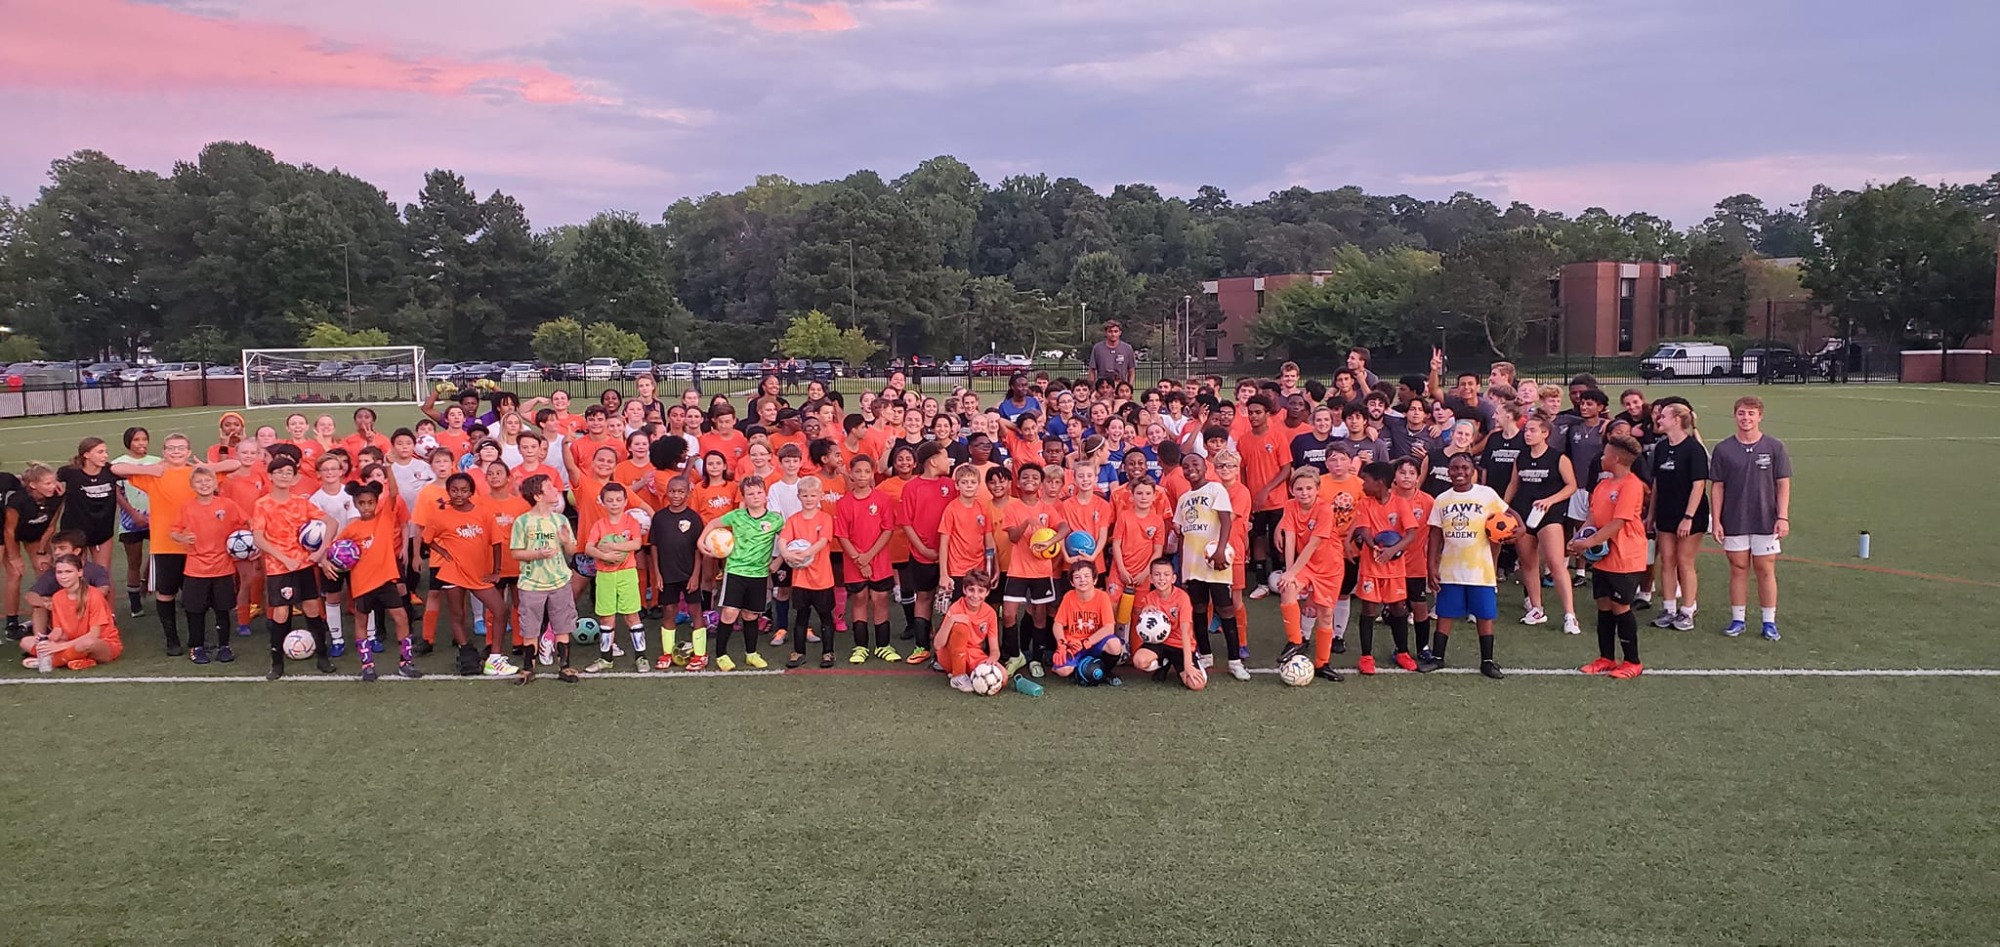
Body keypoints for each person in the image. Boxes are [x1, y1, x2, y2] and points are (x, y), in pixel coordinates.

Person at [112, 437, 242, 655]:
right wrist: (151, 469)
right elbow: (116, 468)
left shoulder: (198, 474)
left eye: (181, 448)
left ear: (189, 451)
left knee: (196, 596)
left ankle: (196, 639)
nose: (176, 452)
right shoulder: (156, 474)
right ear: (163, 451)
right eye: (171, 448)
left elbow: (235, 464)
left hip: (199, 547)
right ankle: (172, 640)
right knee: (166, 592)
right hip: (166, 544)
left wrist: (205, 466)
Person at [1708, 396, 1791, 641]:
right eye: (1742, 413)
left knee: (1765, 569)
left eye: (1751, 414)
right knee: (1738, 568)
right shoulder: (1723, 449)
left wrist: (1782, 516)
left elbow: (1783, 484)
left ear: (1760, 417)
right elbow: (1717, 487)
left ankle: (1769, 622)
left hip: (1765, 520)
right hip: (1734, 519)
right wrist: (1717, 519)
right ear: (1735, 416)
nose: (1746, 418)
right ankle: (1738, 619)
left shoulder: (1775, 447)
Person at [1420, 453, 1508, 679]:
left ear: (1473, 470)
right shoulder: (1442, 499)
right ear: (1448, 471)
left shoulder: (1486, 494)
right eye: (1454, 468)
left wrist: (1519, 529)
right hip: (1450, 569)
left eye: (1464, 468)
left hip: (1481, 570)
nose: (1459, 472)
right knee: (1445, 613)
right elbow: (1435, 536)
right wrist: (1431, 566)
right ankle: (1438, 657)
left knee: (1484, 615)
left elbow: (1509, 515)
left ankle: (1487, 661)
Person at [251, 454, 337, 680]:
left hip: (303, 564)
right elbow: (258, 538)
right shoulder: (262, 505)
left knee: (311, 607)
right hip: (278, 568)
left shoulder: (301, 502)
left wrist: (320, 552)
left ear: (295, 476)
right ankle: (276, 662)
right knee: (281, 612)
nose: (284, 476)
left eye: (288, 472)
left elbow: (332, 522)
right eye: (279, 472)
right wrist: (283, 558)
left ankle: (322, 656)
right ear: (270, 476)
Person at [420, 472, 511, 677]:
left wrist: (496, 571)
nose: (459, 494)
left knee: (500, 610)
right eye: (454, 490)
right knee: (458, 614)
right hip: (453, 573)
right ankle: (466, 650)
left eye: (464, 490)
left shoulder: (484, 513)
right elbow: (427, 538)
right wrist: (442, 552)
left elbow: (496, 542)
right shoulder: (440, 514)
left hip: (479, 573)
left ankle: (495, 657)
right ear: (448, 491)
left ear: (471, 491)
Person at [1574, 434, 1649, 679]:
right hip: (1603, 559)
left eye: (1605, 453)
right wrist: (1579, 538)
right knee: (1603, 605)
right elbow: (1593, 518)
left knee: (1621, 607)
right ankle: (1606, 657)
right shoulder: (1603, 485)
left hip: (1626, 557)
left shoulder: (1631, 485)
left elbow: (1618, 522)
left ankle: (1632, 661)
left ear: (1616, 458)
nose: (1601, 457)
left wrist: (1589, 543)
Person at [333, 481, 422, 681]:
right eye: (362, 503)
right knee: (361, 621)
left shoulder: (385, 518)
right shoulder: (351, 528)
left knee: (401, 617)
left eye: (370, 503)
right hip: (362, 584)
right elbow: (336, 551)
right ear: (355, 504)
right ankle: (367, 665)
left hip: (385, 581)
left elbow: (394, 492)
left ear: (376, 503)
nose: (366, 507)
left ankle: (405, 663)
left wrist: (389, 466)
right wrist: (328, 562)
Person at [1503, 417, 1580, 635]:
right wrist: (1503, 507)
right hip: (1523, 514)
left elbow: (1571, 485)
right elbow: (1513, 484)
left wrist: (1550, 500)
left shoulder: (1558, 458)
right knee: (1528, 562)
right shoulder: (1522, 457)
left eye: (1532, 430)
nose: (1527, 434)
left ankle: (1570, 615)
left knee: (1556, 564)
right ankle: (1537, 608)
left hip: (1549, 515)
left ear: (1545, 433)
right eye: (1526, 430)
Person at [1172, 452, 1243, 680]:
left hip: (1215, 561)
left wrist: (1221, 549)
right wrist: (1182, 569)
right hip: (1193, 566)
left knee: (1225, 609)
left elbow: (1225, 520)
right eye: (1186, 465)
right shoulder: (1183, 499)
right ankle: (1205, 654)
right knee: (1199, 609)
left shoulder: (1216, 489)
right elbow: (1182, 535)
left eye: (1195, 464)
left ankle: (1235, 660)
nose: (1190, 468)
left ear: (1205, 468)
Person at [701, 476, 784, 671]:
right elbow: (713, 524)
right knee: (730, 613)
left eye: (759, 492)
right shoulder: (736, 516)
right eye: (750, 494)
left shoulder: (775, 520)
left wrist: (778, 560)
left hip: (759, 574)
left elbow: (786, 539)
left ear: (765, 495)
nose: (755, 496)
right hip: (736, 572)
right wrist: (701, 541)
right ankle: (721, 654)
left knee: (751, 615)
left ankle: (751, 653)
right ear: (744, 497)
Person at [168, 467, 248, 665]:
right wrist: (181, 536)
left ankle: (224, 646)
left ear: (214, 483)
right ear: (192, 486)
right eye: (199, 482)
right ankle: (197, 647)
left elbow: (247, 522)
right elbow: (174, 531)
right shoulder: (187, 507)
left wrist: (244, 542)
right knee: (195, 611)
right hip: (196, 569)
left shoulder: (227, 505)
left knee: (223, 610)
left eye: (207, 481)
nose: (204, 485)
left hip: (223, 568)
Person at [509, 473, 581, 683]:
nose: (555, 490)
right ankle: (528, 668)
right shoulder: (523, 522)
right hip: (532, 584)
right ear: (538, 496)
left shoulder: (560, 520)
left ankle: (565, 667)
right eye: (549, 487)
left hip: (559, 581)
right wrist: (538, 554)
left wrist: (567, 542)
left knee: (563, 625)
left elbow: (572, 550)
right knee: (530, 627)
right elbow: (516, 553)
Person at [1275, 467, 1345, 682]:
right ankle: (1296, 641)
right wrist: (1289, 571)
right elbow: (1291, 538)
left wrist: (1292, 571)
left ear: (1317, 489)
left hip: (1329, 567)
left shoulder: (1325, 509)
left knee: (1325, 615)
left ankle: (1323, 663)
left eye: (1308, 488)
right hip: (1304, 564)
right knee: (1287, 588)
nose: (1304, 493)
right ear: (1291, 490)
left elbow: (1314, 543)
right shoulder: (1290, 506)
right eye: (1299, 489)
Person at [1350, 462, 1418, 676]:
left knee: (1398, 607)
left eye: (1366, 480)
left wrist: (1392, 551)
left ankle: (1402, 652)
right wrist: (1375, 546)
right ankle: (1366, 656)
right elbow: (1363, 530)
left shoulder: (1400, 503)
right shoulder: (1365, 503)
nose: (1362, 484)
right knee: (1369, 609)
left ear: (1379, 483)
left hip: (1394, 568)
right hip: (1371, 566)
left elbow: (1411, 534)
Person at [834, 455, 902, 665]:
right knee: (860, 598)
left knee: (881, 599)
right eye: (858, 471)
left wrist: (868, 557)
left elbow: (887, 530)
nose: (862, 475)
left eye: (866, 471)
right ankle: (861, 646)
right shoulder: (844, 503)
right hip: (854, 562)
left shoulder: (882, 499)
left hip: (878, 560)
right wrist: (858, 560)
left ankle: (883, 645)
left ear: (872, 473)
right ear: (851, 473)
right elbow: (842, 535)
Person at [1649, 403, 1709, 633]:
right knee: (1667, 561)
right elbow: (1656, 484)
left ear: (1676, 420)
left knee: (1685, 561)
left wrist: (1688, 517)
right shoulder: (1661, 448)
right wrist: (1651, 515)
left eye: (1663, 416)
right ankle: (1669, 608)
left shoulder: (1694, 449)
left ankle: (1687, 610)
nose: (1658, 419)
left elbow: (1698, 485)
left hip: (1689, 515)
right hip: (1665, 513)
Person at [582, 483, 650, 673]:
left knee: (632, 615)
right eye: (610, 500)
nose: (614, 504)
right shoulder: (599, 525)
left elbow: (636, 543)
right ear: (602, 502)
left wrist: (613, 548)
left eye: (619, 500)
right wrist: (604, 557)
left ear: (626, 502)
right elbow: (589, 547)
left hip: (627, 573)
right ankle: (606, 658)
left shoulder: (631, 523)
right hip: (604, 575)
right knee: (606, 618)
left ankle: (641, 657)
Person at [19, 555, 122, 671]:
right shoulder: (57, 597)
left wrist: (58, 647)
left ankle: (54, 661)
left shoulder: (94, 596)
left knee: (87, 643)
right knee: (26, 642)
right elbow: (58, 632)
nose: (63, 576)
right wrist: (45, 638)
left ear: (79, 573)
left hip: (102, 643)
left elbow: (94, 635)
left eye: (68, 572)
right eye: (59, 572)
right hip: (71, 642)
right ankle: (78, 659)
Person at [649, 475, 705, 670]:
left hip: (689, 574)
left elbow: (699, 549)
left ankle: (700, 654)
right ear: (667, 492)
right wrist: (657, 573)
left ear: (688, 493)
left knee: (695, 611)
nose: (676, 495)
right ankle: (667, 653)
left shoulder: (694, 518)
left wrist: (695, 575)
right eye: (673, 491)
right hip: (667, 574)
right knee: (669, 611)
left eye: (681, 492)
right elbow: (654, 546)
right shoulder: (659, 518)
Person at [1128, 558, 1201, 688]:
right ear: (1150, 578)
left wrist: (1188, 665)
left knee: (1196, 685)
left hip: (1180, 645)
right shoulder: (1150, 597)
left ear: (1173, 578)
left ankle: (1184, 663)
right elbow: (1144, 629)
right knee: (1139, 661)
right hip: (1160, 643)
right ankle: (1163, 663)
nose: (1162, 578)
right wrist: (1144, 613)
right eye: (1157, 574)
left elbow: (1186, 632)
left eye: (1166, 575)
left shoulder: (1182, 598)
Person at [1050, 561, 1122, 685]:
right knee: (1063, 671)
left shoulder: (1102, 597)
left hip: (1092, 642)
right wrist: (1062, 643)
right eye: (1077, 577)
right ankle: (1079, 670)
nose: (1082, 580)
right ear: (1072, 582)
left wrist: (1086, 643)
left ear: (1094, 580)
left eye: (1086, 576)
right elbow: (1058, 624)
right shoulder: (1069, 597)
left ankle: (1105, 672)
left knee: (1114, 644)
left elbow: (1109, 628)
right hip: (1073, 644)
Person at [934, 568, 1004, 693]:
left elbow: (994, 649)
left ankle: (970, 675)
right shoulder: (956, 608)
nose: (975, 596)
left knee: (1002, 676)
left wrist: (993, 658)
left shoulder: (990, 613)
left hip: (973, 654)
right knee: (961, 625)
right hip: (950, 654)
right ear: (964, 590)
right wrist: (951, 620)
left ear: (987, 592)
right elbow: (938, 645)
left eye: (981, 591)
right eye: (971, 590)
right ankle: (958, 675)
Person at [59, 437, 122, 570]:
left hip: (102, 530)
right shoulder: (70, 472)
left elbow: (130, 470)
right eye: (100, 452)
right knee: (77, 569)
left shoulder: (110, 471)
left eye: (105, 452)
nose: (105, 456)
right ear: (86, 455)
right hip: (74, 531)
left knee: (103, 571)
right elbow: (48, 480)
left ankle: (102, 592)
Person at [1087, 321, 1137, 385]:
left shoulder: (1127, 348)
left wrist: (1129, 387)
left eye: (1116, 331)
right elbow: (1092, 370)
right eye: (1110, 331)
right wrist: (1093, 388)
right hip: (1103, 386)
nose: (1113, 334)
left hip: (1120, 387)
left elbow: (1131, 370)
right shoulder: (1097, 348)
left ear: (1120, 333)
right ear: (1106, 333)